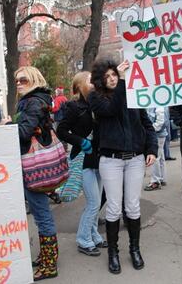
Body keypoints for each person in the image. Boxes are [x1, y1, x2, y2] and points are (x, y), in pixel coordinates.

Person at [88, 59, 157, 274]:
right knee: (114, 208)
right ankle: (113, 253)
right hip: (111, 160)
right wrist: (122, 85)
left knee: (133, 206)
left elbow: (147, 124)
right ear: (101, 79)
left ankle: (134, 249)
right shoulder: (96, 99)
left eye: (114, 75)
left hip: (135, 158)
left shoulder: (133, 95)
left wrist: (152, 149)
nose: (112, 79)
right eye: (108, 76)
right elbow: (111, 109)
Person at [14, 66, 58, 281]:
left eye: (23, 80)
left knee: (42, 214)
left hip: (34, 167)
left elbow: (23, 132)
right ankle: (47, 256)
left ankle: (50, 265)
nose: (19, 83)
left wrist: (7, 125)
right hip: (37, 165)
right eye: (17, 81)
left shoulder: (33, 103)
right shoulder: (36, 100)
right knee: (41, 213)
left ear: (33, 80)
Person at [57, 71, 107, 257]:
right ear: (79, 86)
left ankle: (93, 235)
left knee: (97, 200)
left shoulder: (98, 103)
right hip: (83, 159)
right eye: (89, 80)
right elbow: (61, 130)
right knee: (93, 202)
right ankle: (83, 239)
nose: (93, 82)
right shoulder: (73, 106)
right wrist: (79, 141)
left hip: (99, 158)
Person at [144, 106, 167, 191]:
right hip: (160, 133)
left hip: (157, 133)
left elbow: (160, 120)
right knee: (160, 157)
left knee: (155, 157)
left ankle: (155, 181)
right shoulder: (160, 101)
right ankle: (162, 178)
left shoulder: (157, 102)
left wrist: (150, 130)